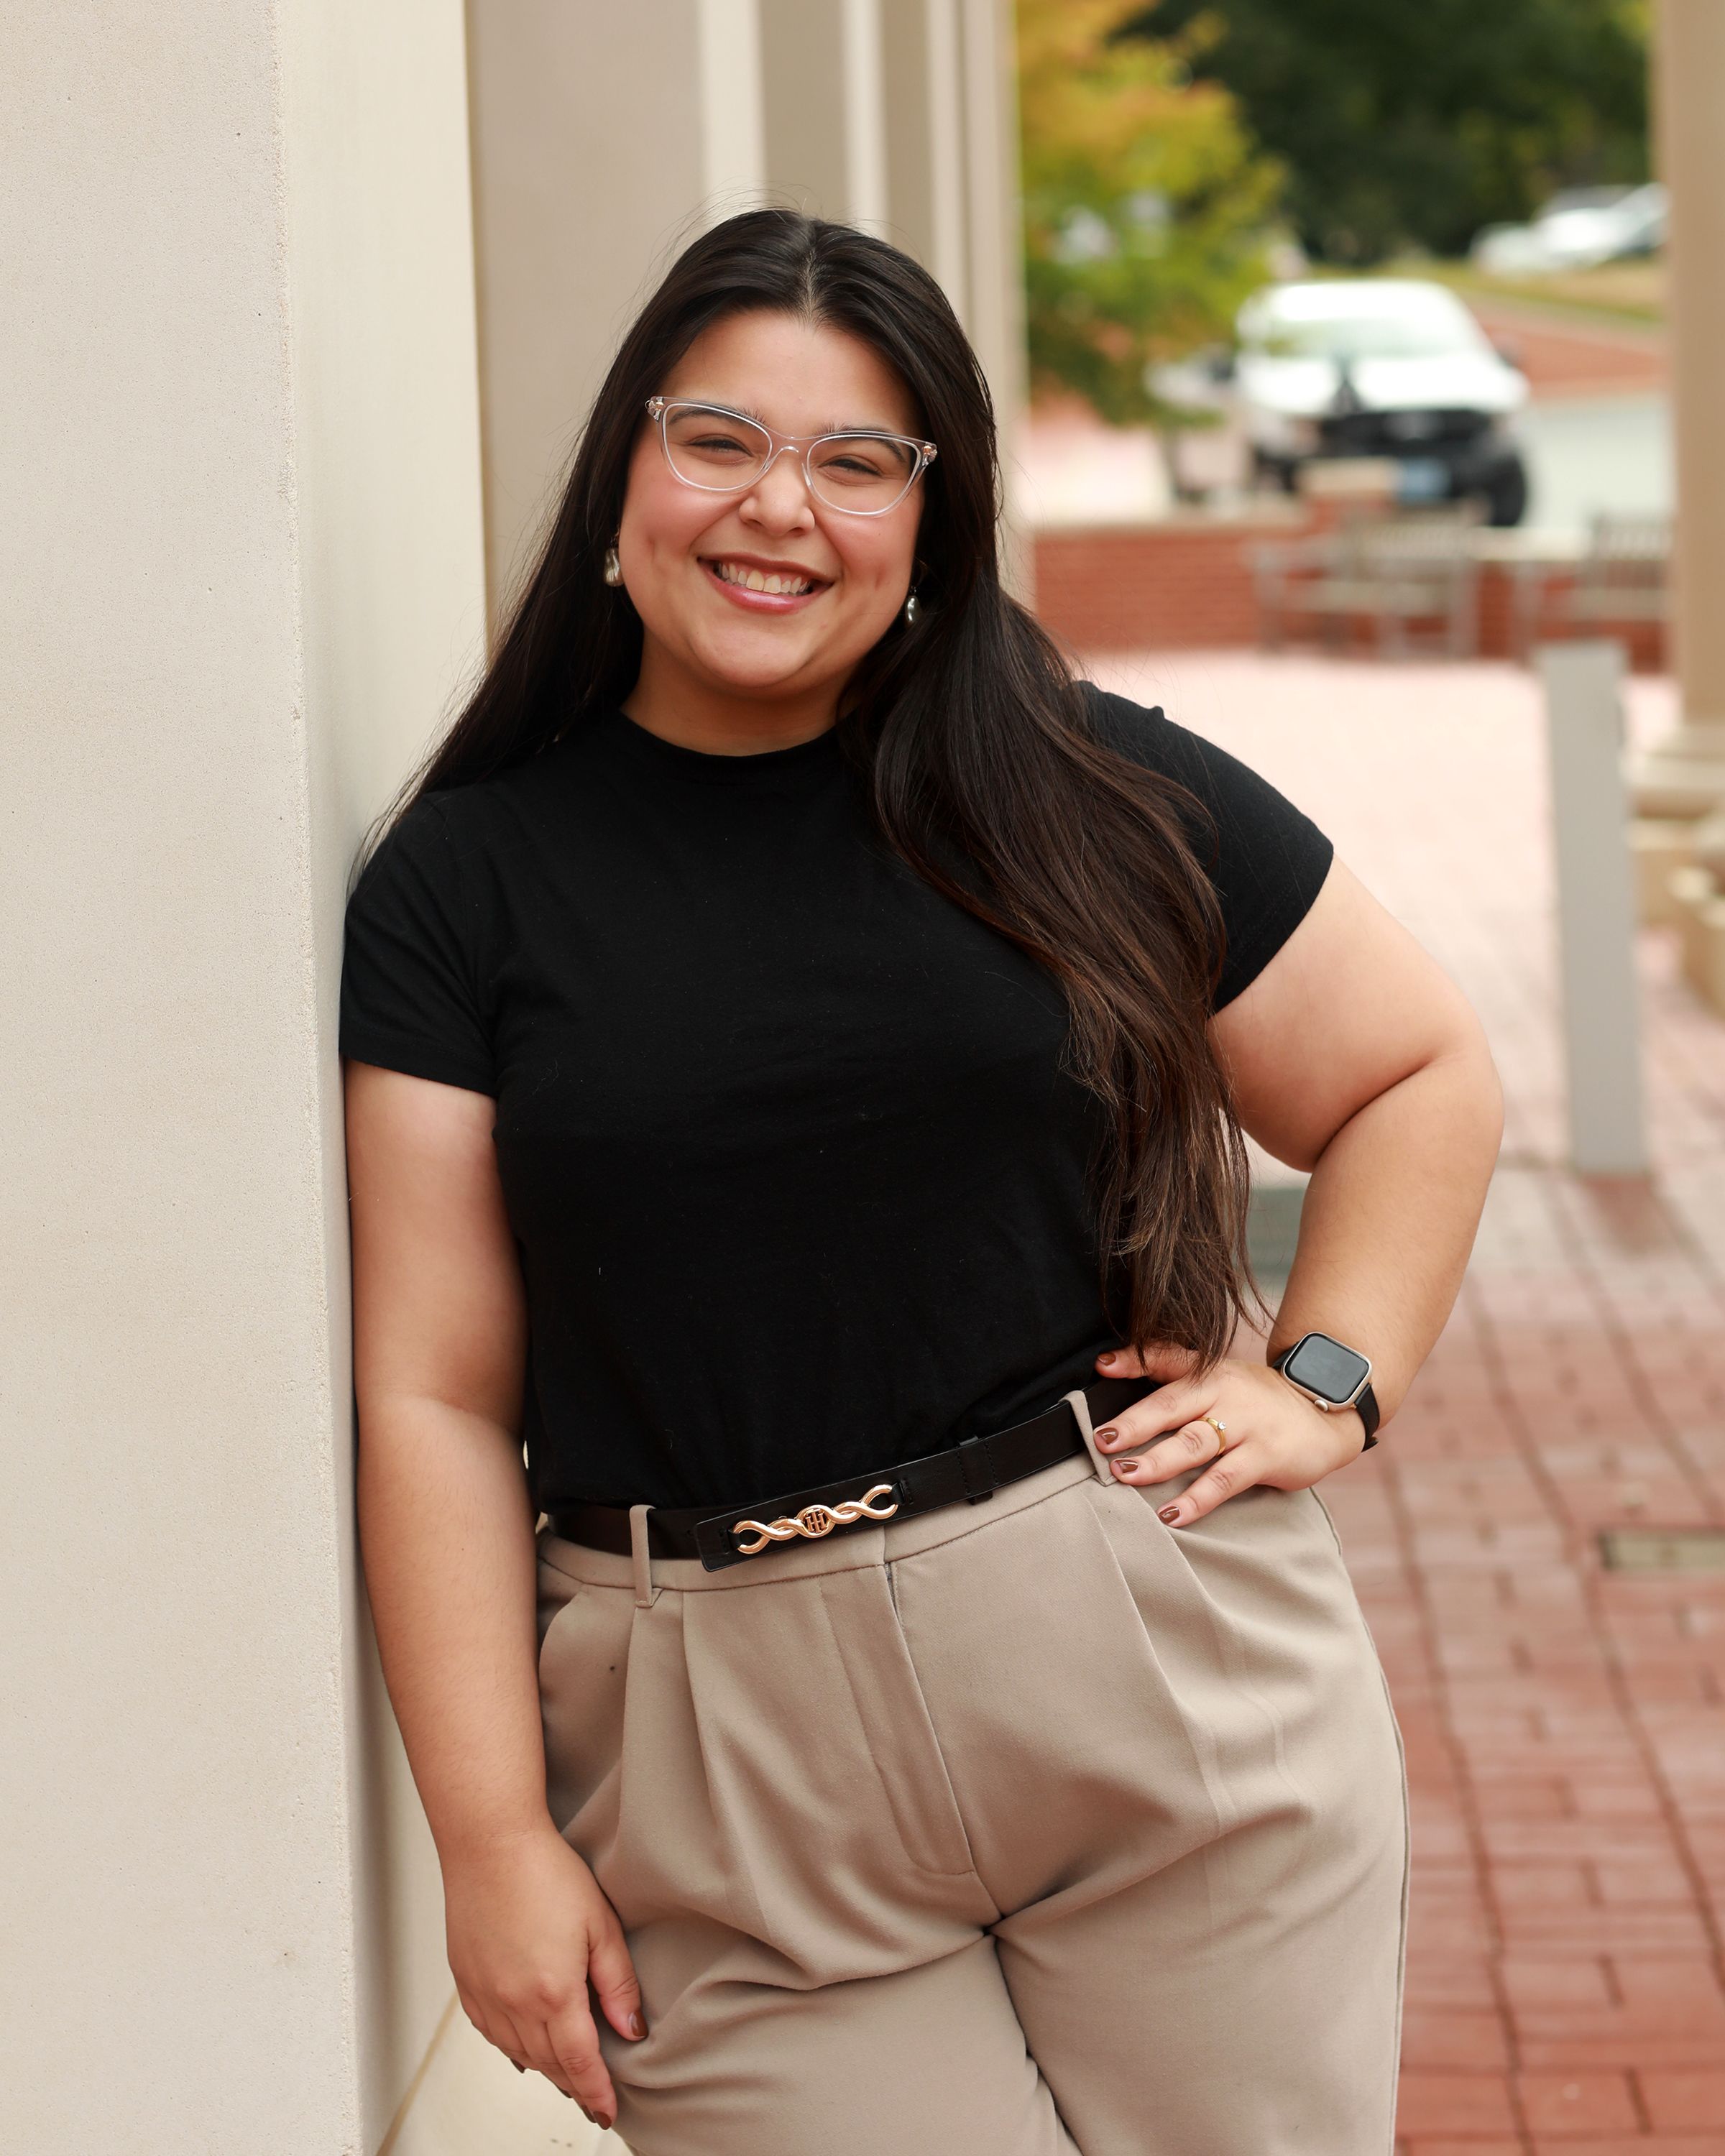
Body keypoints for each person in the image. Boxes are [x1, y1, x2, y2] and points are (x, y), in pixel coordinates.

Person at [341, 210, 1501, 2156]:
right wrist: (488, 1841)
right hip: (711, 1754)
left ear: (926, 524)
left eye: (855, 461)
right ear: (624, 466)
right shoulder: (465, 889)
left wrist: (1323, 1380)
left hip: (1144, 1657)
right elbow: (436, 1396)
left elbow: (1416, 1073)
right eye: (718, 439)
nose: (776, 508)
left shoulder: (1081, 788)